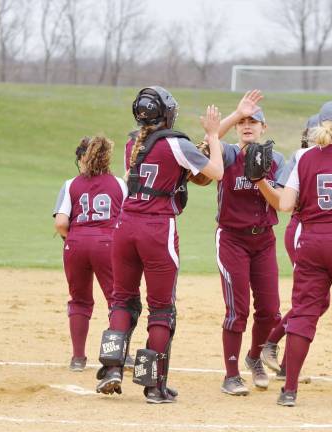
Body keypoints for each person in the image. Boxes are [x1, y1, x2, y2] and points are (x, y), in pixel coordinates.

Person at [95, 86, 224, 404]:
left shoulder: (131, 143)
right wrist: (214, 136)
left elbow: (174, 169)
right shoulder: (176, 143)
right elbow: (216, 173)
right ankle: (153, 386)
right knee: (162, 310)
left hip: (124, 227)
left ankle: (112, 368)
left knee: (123, 301)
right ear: (165, 113)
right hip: (156, 230)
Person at [256, 101, 332, 408]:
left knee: (303, 312)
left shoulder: (302, 156)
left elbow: (285, 205)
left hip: (310, 240)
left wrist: (260, 181)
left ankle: (289, 390)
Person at [212, 90, 286, 396]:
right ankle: (231, 374)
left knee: (269, 310)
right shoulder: (228, 154)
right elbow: (211, 136)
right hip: (232, 239)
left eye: (253, 120)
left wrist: (260, 180)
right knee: (237, 309)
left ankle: (254, 357)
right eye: (242, 121)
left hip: (264, 240)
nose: (247, 125)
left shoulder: (275, 159)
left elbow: (281, 202)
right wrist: (233, 113)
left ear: (263, 128)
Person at [53, 136, 127, 372]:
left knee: (79, 300)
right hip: (108, 244)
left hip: (75, 244)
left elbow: (61, 222)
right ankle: (115, 354)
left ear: (82, 159)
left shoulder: (70, 184)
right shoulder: (119, 184)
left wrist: (71, 238)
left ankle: (77, 358)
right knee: (117, 301)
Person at [259, 114, 322, 384]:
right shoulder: (301, 157)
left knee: (316, 300)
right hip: (300, 229)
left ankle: (285, 365)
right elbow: (283, 199)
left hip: (317, 234)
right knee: (310, 299)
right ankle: (270, 345)